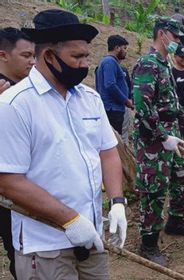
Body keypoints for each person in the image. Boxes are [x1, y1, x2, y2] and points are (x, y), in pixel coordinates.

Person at [0, 9, 127, 279]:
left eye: (86, 56)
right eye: (77, 57)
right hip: (45, 247)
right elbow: (9, 180)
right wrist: (69, 219)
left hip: (91, 237)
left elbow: (107, 152)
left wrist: (117, 201)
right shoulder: (15, 105)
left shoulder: (89, 99)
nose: (84, 64)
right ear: (48, 56)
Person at [132, 17, 184, 267]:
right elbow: (142, 107)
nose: (178, 41)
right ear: (162, 34)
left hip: (172, 133)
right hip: (153, 141)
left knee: (183, 175)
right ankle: (148, 244)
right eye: (176, 37)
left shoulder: (165, 64)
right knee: (155, 191)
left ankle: (175, 221)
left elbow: (173, 102)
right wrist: (162, 136)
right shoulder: (147, 64)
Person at [0, 26, 35, 280]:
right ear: (3, 55)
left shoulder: (27, 90)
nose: (32, 61)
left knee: (19, 250)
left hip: (17, 188)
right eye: (26, 56)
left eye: (34, 55)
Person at [96, 34, 133, 135]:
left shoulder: (111, 62)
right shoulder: (109, 62)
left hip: (115, 109)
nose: (126, 51)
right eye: (124, 48)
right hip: (112, 110)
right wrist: (126, 101)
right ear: (117, 48)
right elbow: (110, 85)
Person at [121, 64, 133, 145]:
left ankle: (125, 155)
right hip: (111, 106)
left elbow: (130, 87)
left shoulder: (123, 69)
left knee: (124, 133)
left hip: (126, 106)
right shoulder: (104, 66)